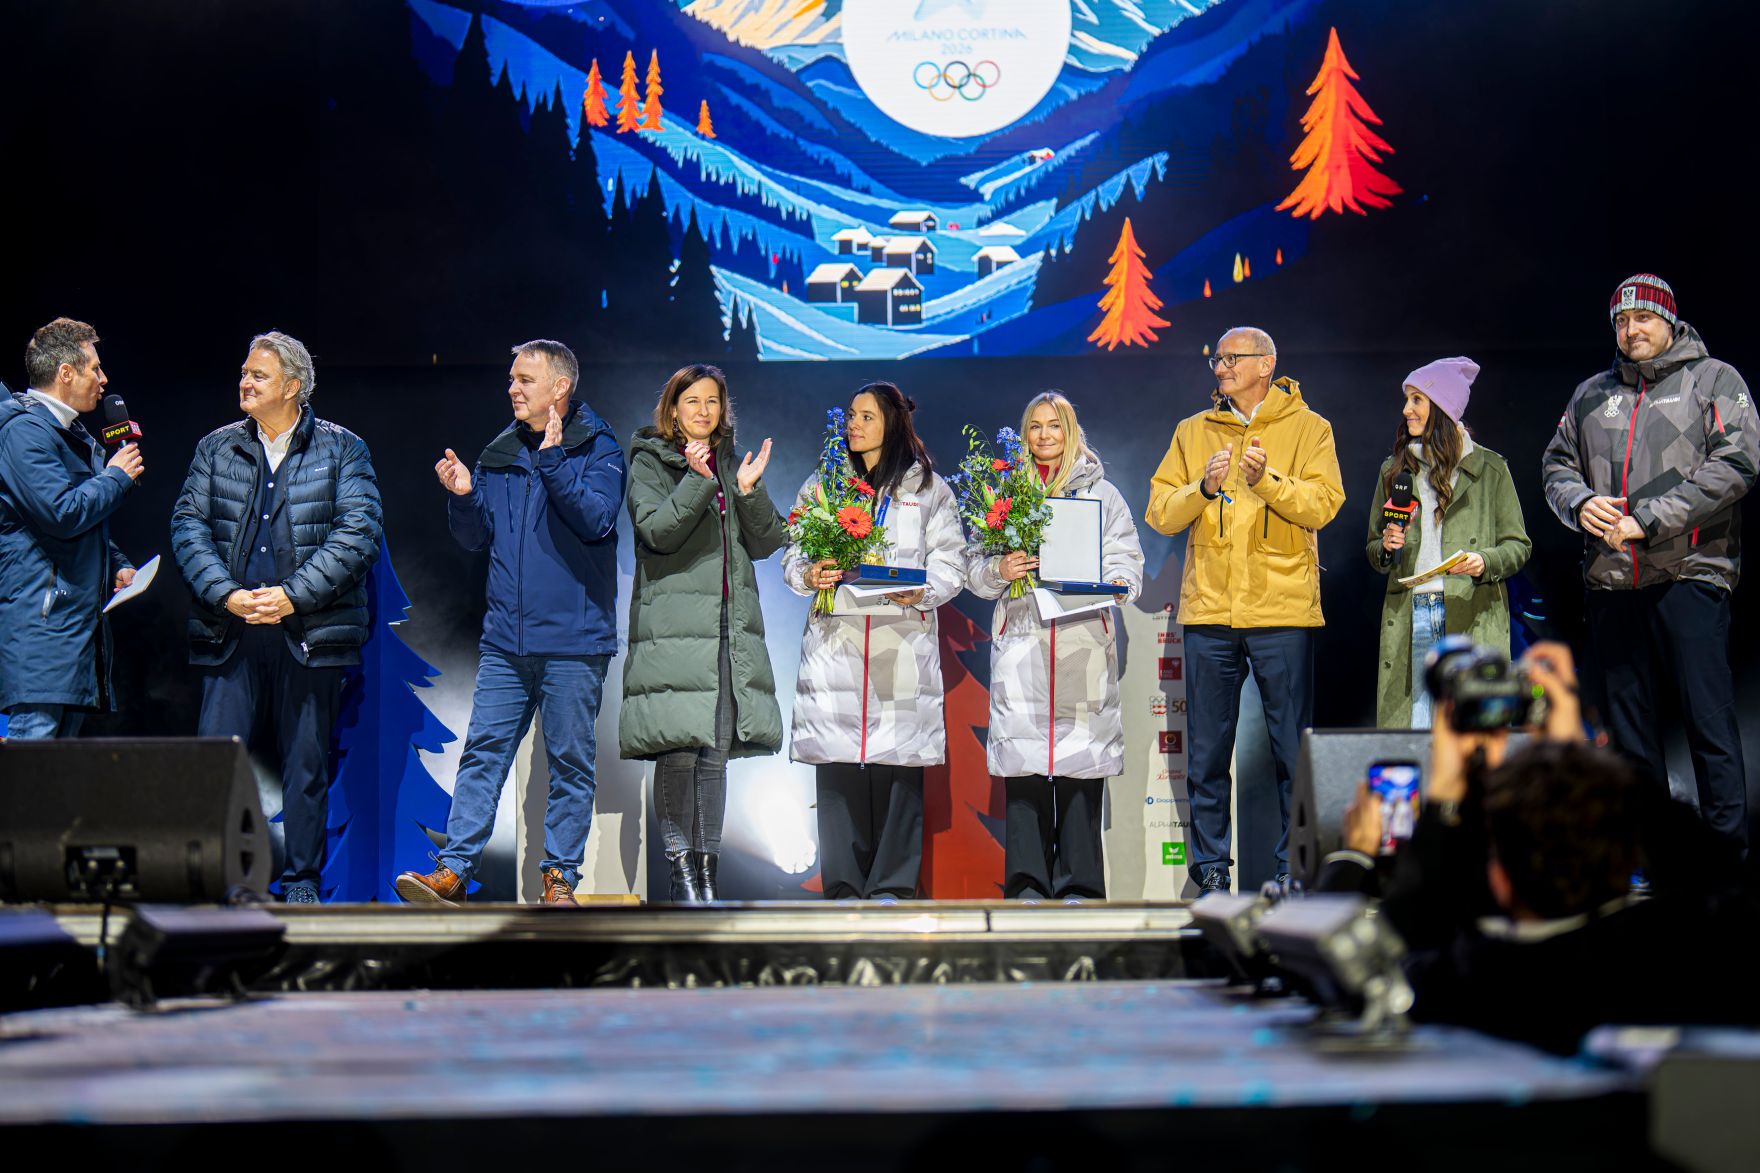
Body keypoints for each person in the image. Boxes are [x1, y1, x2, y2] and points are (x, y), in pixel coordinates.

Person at [395, 340, 626, 907]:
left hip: (573, 643)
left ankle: (560, 881)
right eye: (511, 379)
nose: (513, 389)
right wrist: (464, 498)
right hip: (506, 642)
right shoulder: (498, 452)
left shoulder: (600, 448)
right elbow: (475, 540)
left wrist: (552, 462)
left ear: (560, 388)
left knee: (570, 763)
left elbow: (596, 520)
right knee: (483, 753)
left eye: (525, 380)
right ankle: (453, 873)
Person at [1542, 274, 1757, 852]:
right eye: (1620, 321)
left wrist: (1652, 518)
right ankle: (1648, 858)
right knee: (1630, 737)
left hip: (1691, 574)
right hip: (1612, 582)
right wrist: (1579, 503)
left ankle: (1724, 860)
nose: (1630, 330)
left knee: (1707, 725)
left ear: (1669, 320)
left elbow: (1737, 464)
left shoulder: (1713, 379)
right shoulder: (1591, 393)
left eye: (1642, 318)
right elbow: (1556, 466)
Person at [170, 331, 381, 904]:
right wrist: (226, 595)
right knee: (217, 763)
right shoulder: (216, 448)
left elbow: (357, 534)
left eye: (257, 375)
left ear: (292, 387)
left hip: (308, 633)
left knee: (306, 765)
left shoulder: (344, 450)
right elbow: (187, 528)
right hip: (231, 630)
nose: (244, 381)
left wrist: (294, 595)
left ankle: (302, 883)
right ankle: (217, 877)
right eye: (243, 371)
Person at [1145, 326, 1345, 893]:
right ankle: (1211, 872)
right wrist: (1202, 490)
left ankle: (1293, 868)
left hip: (1282, 610)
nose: (1220, 368)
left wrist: (1269, 480)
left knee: (1291, 752)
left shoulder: (1309, 428)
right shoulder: (1193, 431)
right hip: (1210, 611)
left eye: (1232, 359)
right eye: (1217, 359)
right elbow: (1160, 511)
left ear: (1266, 364)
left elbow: (1324, 505)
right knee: (1208, 753)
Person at [784, 381, 964, 902]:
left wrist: (925, 591)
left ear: (891, 422)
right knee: (838, 773)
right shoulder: (826, 484)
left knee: (898, 771)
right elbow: (793, 553)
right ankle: (842, 886)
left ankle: (891, 885)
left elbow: (950, 560)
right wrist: (807, 574)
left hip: (899, 644)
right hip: (836, 646)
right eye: (851, 416)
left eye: (865, 416)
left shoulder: (929, 489)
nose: (853, 424)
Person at [967, 392, 1144, 902]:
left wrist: (1108, 583)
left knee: (1081, 771)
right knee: (1024, 772)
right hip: (1022, 647)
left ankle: (1081, 887)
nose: (1045, 436)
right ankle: (1026, 884)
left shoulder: (1102, 495)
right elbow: (974, 569)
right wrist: (999, 570)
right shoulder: (1003, 494)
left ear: (1071, 432)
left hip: (1081, 644)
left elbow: (1127, 562)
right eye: (1035, 427)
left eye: (1055, 426)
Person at [621, 364, 787, 902]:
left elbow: (767, 542)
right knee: (679, 753)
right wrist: (696, 480)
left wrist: (747, 490)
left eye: (713, 401)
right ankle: (681, 875)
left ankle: (707, 879)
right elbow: (657, 531)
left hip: (725, 634)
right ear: (672, 410)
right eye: (691, 401)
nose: (703, 411)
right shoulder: (651, 461)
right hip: (672, 634)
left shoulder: (730, 465)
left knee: (714, 759)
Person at [1366, 358, 1530, 729]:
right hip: (1413, 611)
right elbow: (1374, 549)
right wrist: (1389, 545)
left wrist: (1483, 561)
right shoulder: (1394, 471)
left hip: (1470, 610)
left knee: (1471, 729)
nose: (1406, 409)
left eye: (1416, 400)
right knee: (1419, 728)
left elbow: (1518, 545)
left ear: (1441, 408)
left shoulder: (1490, 469)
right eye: (1407, 399)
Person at [0, 318, 143, 739]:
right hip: (42, 630)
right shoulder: (23, 432)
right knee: (30, 782)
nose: (104, 379)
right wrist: (116, 476)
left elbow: (78, 519)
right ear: (66, 373)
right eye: (95, 368)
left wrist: (114, 563)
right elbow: (62, 514)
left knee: (57, 788)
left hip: (69, 632)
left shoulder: (68, 433)